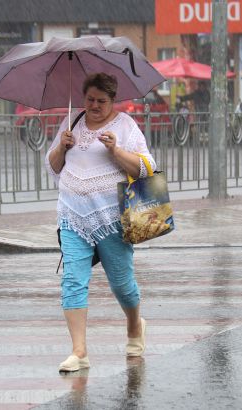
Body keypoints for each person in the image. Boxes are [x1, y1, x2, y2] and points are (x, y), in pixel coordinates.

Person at [45, 73, 156, 373]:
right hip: (71, 215)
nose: (94, 106)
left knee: (122, 284)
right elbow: (53, 166)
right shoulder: (72, 123)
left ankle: (134, 324)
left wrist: (116, 150)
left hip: (111, 218)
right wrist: (61, 147)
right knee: (72, 281)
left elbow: (148, 168)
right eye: (90, 99)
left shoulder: (125, 126)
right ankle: (79, 351)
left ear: (112, 100)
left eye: (101, 101)